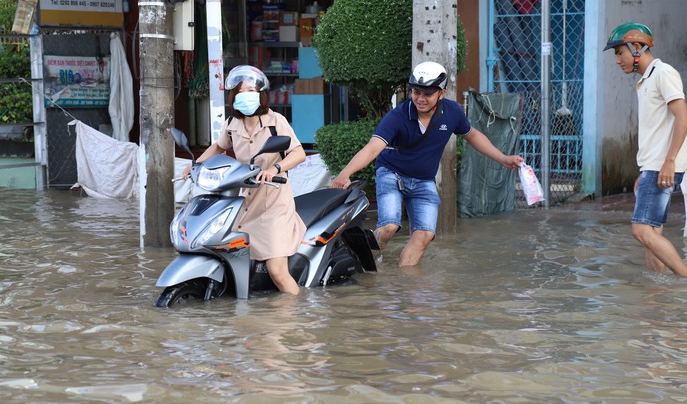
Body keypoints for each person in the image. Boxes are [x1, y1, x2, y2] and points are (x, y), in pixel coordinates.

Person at [329, 61, 524, 267]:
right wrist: (344, 174)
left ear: (441, 93)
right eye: (416, 92)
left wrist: (503, 158)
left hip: (424, 180)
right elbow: (372, 148)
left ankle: (405, 283)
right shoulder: (397, 117)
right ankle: (368, 252)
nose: (420, 99)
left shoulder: (452, 112)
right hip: (391, 174)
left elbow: (472, 135)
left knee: (424, 234)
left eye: (427, 94)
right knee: (389, 227)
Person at [182, 65, 307, 293]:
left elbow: (299, 153)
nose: (245, 95)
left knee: (277, 272)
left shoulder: (275, 121)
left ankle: (293, 321)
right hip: (245, 202)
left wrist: (275, 168)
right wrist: (195, 165)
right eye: (240, 91)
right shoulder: (232, 124)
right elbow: (219, 147)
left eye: (250, 90)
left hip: (273, 203)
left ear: (260, 94)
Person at [603, 22, 687, 275]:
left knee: (640, 231)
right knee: (652, 234)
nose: (618, 60)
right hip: (654, 166)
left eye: (620, 53)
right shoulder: (646, 80)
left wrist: (669, 161)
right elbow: (659, 129)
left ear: (637, 47)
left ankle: (684, 278)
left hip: (664, 166)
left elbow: (683, 116)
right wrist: (646, 169)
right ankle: (656, 293)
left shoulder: (662, 73)